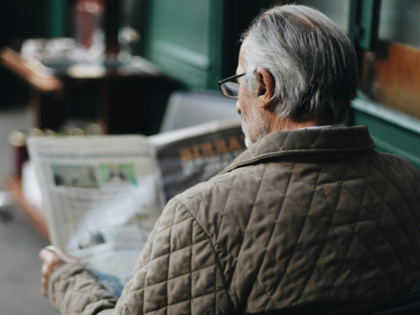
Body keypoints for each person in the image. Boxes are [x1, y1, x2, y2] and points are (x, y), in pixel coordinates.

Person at [40, 4, 420, 315]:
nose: (237, 101)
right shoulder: (408, 180)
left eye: (239, 82)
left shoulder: (202, 214)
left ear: (265, 87)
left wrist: (68, 281)